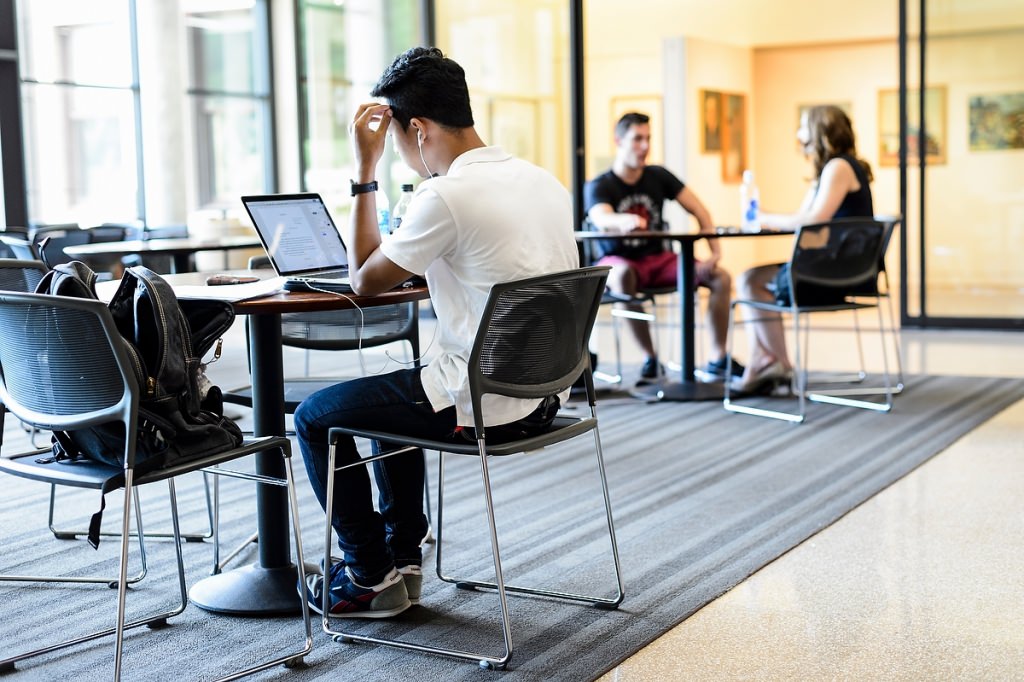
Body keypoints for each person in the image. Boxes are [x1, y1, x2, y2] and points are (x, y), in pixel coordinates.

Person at [293, 47, 579, 618]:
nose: (400, 153)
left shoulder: (445, 195)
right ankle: (402, 560)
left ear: (417, 129)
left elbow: (366, 282)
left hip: (485, 402)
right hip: (547, 392)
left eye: (397, 141)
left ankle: (369, 576)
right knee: (388, 395)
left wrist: (364, 173)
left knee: (315, 417)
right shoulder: (542, 180)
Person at [584, 112, 742, 384]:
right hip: (618, 260)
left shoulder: (658, 175)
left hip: (660, 259)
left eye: (648, 139)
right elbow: (601, 218)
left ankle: (718, 359)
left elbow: (699, 210)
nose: (645, 146)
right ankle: (651, 358)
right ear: (618, 141)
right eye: (637, 139)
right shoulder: (600, 184)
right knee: (621, 275)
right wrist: (625, 221)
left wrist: (715, 252)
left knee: (721, 277)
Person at [733, 105, 875, 394]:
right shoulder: (832, 169)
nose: (798, 134)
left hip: (834, 273)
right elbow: (806, 219)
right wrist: (774, 219)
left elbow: (813, 221)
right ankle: (767, 361)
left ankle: (775, 363)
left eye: (802, 127)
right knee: (749, 280)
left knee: (749, 282)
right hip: (839, 268)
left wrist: (763, 217)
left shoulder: (839, 167)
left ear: (819, 131)